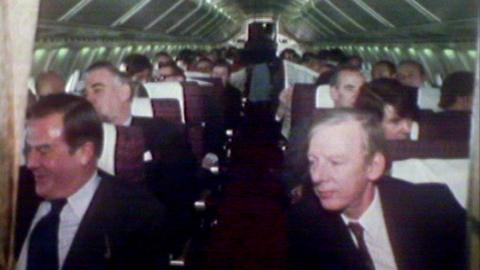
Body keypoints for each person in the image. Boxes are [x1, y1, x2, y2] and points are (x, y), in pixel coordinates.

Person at [288, 109, 466, 270]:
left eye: (335, 162)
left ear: (373, 167)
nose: (317, 176)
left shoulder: (434, 208)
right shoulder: (304, 224)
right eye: (313, 161)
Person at [16, 94, 168, 269]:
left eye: (44, 150)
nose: (31, 162)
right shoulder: (13, 193)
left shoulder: (137, 216)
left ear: (84, 152)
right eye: (28, 150)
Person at [84, 61, 198, 255]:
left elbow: (179, 194)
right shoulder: (81, 140)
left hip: (147, 236)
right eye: (85, 93)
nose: (89, 99)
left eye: (97, 90)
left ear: (125, 92)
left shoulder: (164, 134)